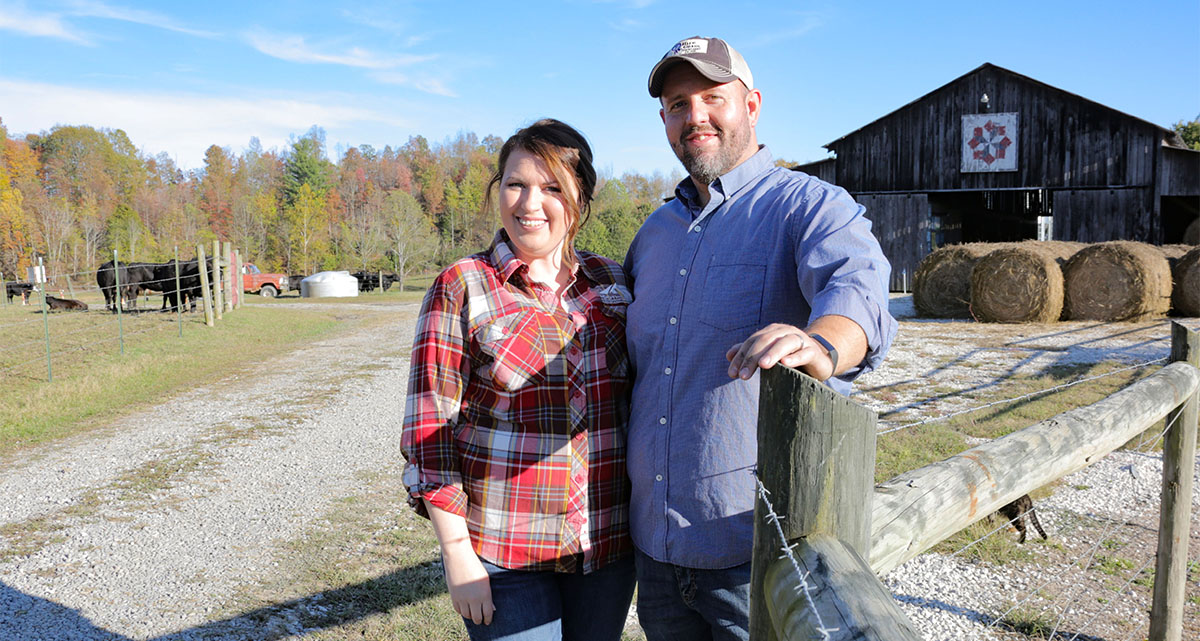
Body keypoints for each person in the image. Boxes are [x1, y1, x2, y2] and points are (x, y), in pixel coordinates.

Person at [623, 37, 898, 640]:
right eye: (677, 104)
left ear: (751, 105)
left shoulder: (808, 206)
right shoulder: (652, 235)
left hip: (752, 555)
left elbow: (859, 292)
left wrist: (821, 345)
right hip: (656, 550)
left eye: (712, 97)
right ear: (664, 120)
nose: (695, 115)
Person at [402, 119, 636, 641]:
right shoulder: (463, 284)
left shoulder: (613, 281)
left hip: (605, 547)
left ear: (582, 196)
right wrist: (458, 556)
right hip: (504, 553)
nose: (531, 202)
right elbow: (429, 431)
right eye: (516, 184)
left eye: (552, 187)